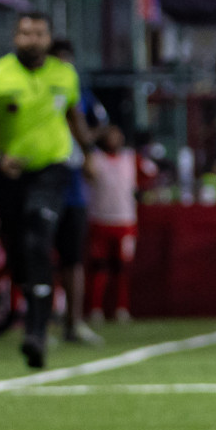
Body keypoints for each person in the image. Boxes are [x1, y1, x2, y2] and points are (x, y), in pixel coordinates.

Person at [0, 12, 97, 368]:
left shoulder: (64, 75)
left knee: (39, 235)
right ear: (15, 37)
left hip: (53, 170)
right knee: (19, 253)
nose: (32, 39)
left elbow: (73, 116)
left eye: (39, 33)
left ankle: (36, 332)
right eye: (25, 33)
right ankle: (35, 315)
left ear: (49, 38)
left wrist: (88, 151)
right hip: (8, 175)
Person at [49, 39, 108, 344]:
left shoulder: (80, 94)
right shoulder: (38, 94)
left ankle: (74, 323)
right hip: (40, 181)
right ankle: (40, 324)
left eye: (67, 62)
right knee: (38, 257)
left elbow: (99, 125)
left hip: (72, 186)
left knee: (73, 257)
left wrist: (88, 150)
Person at [86, 124, 138, 323]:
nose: (114, 139)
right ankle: (95, 309)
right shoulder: (94, 159)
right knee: (99, 268)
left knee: (122, 269)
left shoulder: (130, 159)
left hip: (125, 221)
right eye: (110, 135)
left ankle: (121, 309)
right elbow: (87, 173)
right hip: (100, 220)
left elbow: (149, 175)